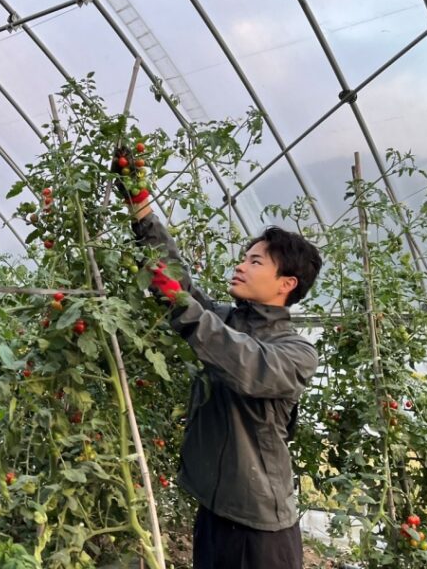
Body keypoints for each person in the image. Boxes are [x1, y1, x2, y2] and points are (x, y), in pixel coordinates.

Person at [112, 147, 323, 568]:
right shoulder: (228, 320)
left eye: (255, 261)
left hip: (260, 529)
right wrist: (141, 207)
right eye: (244, 258)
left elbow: (243, 362)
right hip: (214, 510)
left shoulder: (296, 353)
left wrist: (180, 302)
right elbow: (183, 286)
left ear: (286, 283)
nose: (241, 267)